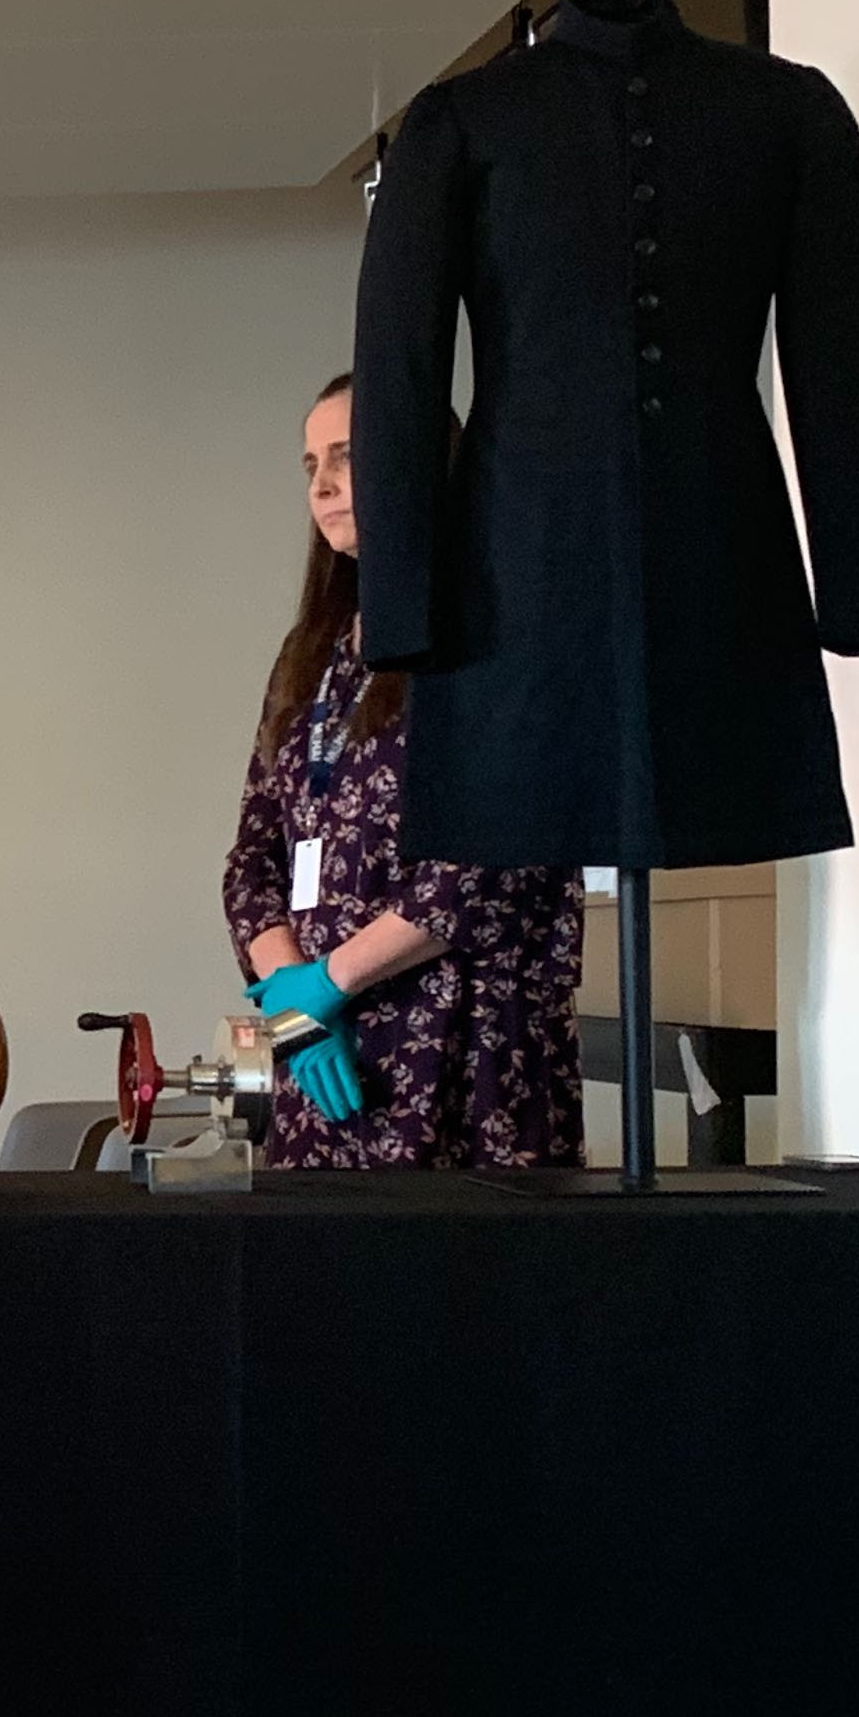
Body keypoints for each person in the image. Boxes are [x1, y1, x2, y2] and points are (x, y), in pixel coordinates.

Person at [224, 372, 583, 1168]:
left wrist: (334, 981)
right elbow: (252, 859)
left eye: (347, 458)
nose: (322, 484)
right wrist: (297, 1010)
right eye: (311, 464)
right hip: (326, 1064)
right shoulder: (309, 652)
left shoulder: (500, 631)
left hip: (464, 1055)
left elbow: (502, 856)